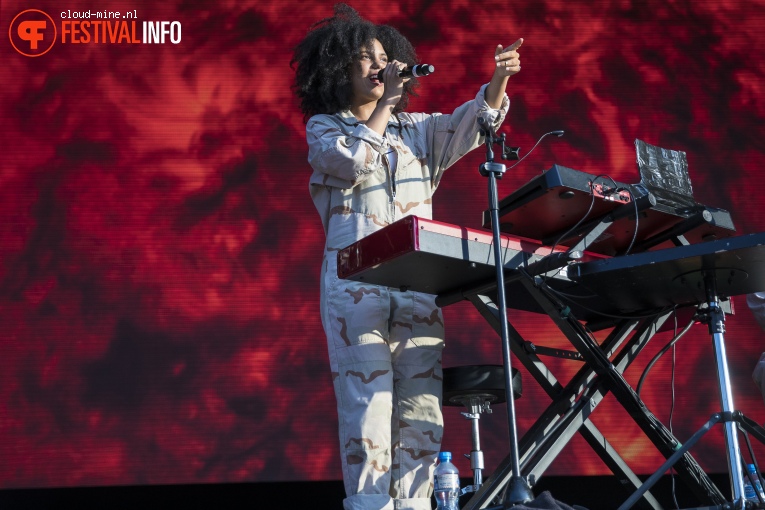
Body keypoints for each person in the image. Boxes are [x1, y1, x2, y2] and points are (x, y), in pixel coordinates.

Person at [291, 5, 521, 509]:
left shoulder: (415, 130)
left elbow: (471, 124)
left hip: (416, 291)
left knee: (421, 414)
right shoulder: (326, 129)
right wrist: (385, 106)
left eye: (384, 57)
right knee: (369, 415)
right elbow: (351, 162)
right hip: (358, 290)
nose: (379, 66)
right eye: (365, 60)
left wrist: (499, 80)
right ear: (338, 71)